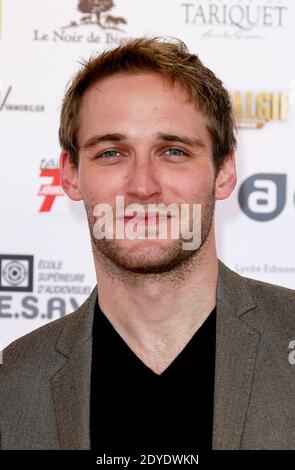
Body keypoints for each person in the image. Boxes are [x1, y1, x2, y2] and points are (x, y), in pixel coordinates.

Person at [0, 37, 295, 452]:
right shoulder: (13, 382)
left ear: (225, 170)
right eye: (111, 153)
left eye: (173, 151)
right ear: (68, 174)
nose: (142, 186)